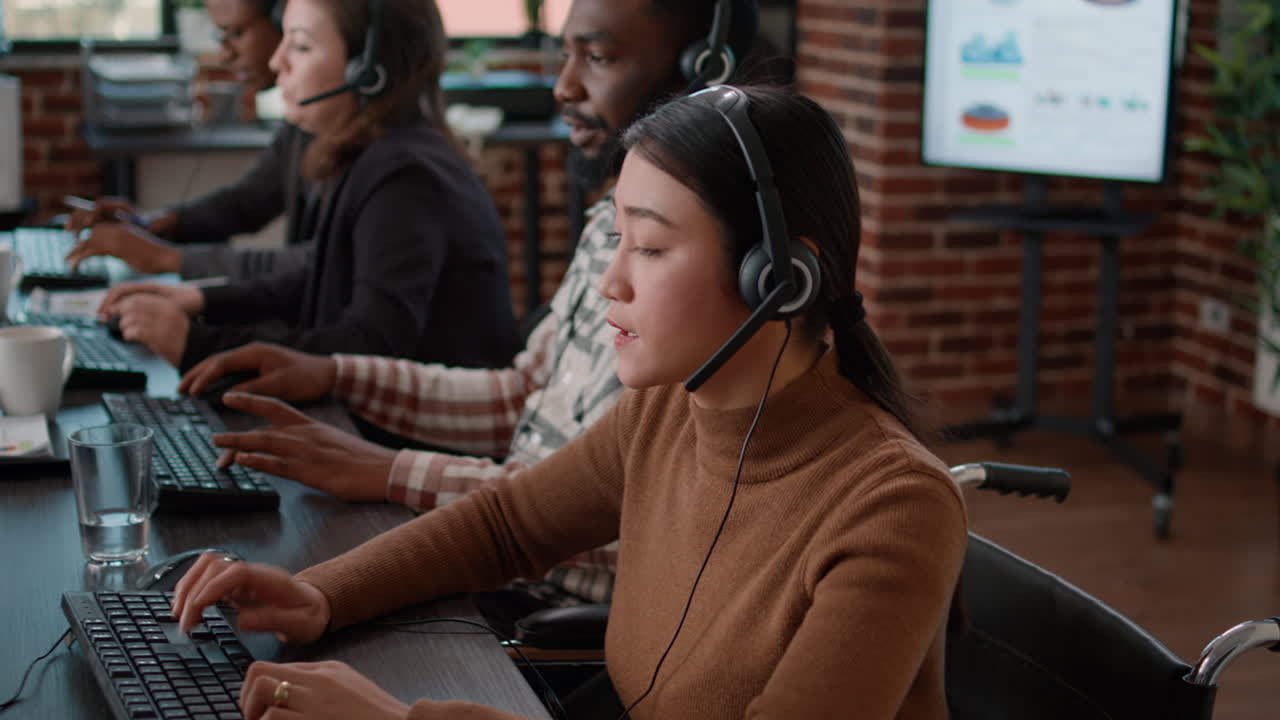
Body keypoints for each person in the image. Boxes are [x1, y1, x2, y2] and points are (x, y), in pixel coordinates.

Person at [172, 85, 969, 720]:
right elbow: (506, 525)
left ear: (780, 277)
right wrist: (320, 592)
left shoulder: (893, 508)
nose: (611, 281)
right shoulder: (668, 411)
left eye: (649, 246)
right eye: (616, 238)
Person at [178, 0, 760, 612]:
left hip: (551, 611)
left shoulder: (716, 286)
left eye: (597, 57)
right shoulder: (602, 228)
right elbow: (523, 396)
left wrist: (392, 472)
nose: (562, 87)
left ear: (701, 71)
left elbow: (620, 517)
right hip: (504, 558)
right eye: (564, 55)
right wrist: (336, 376)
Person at [90, 0, 519, 373]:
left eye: (300, 46)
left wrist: (199, 345)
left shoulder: (404, 177)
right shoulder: (364, 153)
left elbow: (368, 347)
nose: (278, 62)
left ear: (365, 71)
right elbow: (322, 274)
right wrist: (201, 299)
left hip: (420, 435)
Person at [64, 0, 310, 281]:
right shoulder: (303, 125)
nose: (224, 55)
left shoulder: (342, 134)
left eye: (236, 33)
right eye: (220, 36)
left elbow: (318, 266)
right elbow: (249, 201)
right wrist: (150, 223)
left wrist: (165, 258)